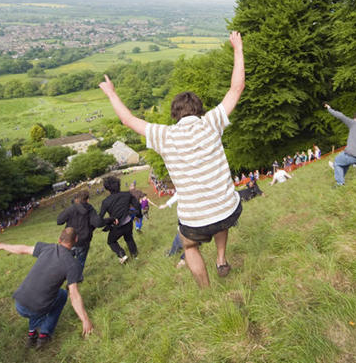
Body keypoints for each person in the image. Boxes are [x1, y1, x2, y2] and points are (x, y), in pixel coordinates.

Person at [98, 31, 245, 288]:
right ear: (198, 110)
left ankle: (207, 292)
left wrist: (111, 93)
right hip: (228, 209)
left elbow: (128, 120)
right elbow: (236, 87)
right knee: (221, 216)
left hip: (195, 220)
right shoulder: (212, 122)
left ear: (175, 115)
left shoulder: (164, 135)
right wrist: (237, 48)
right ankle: (221, 259)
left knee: (188, 245)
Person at [0, 227, 93, 348]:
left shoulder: (47, 247)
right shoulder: (73, 264)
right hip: (34, 308)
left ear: (59, 240)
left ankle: (33, 334)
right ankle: (44, 335)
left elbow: (23, 249)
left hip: (19, 303)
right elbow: (74, 295)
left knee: (53, 294)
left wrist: (3, 245)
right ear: (76, 240)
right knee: (61, 295)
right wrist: (85, 319)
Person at [98, 176, 141, 264]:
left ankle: (122, 254)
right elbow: (137, 205)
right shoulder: (127, 194)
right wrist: (138, 215)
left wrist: (110, 220)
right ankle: (135, 255)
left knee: (111, 241)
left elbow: (100, 218)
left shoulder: (105, 202)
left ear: (107, 188)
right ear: (119, 184)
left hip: (117, 225)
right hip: (128, 222)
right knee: (129, 238)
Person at [56, 190, 103, 269]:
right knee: (80, 262)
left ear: (76, 199)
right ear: (87, 199)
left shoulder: (71, 208)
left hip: (70, 239)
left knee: (64, 261)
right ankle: (76, 277)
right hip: (83, 240)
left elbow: (59, 220)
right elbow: (97, 223)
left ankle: (61, 276)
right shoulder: (90, 209)